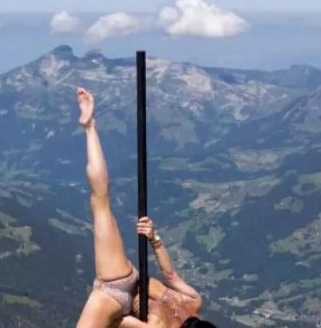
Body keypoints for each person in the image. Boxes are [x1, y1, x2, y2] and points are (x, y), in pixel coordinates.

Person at [75, 87, 216, 328]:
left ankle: (90, 128)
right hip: (114, 297)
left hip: (129, 276)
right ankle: (88, 127)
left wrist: (154, 238)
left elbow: (169, 275)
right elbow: (122, 321)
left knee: (101, 201)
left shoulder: (193, 301)